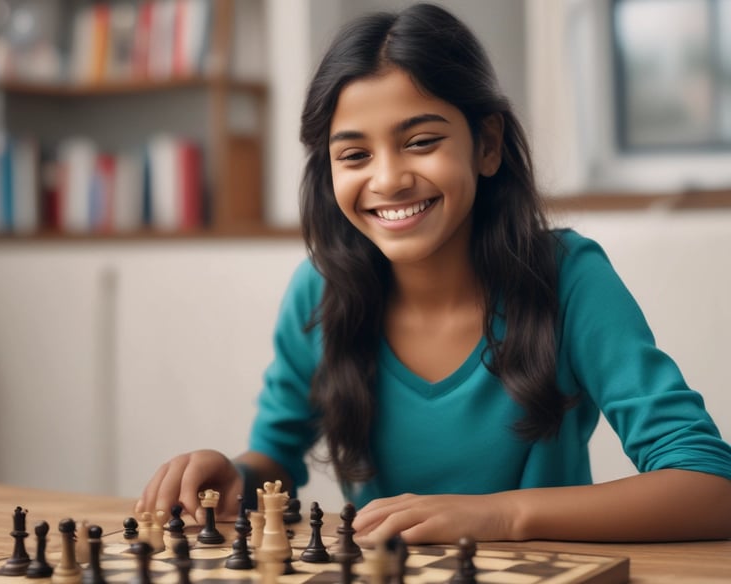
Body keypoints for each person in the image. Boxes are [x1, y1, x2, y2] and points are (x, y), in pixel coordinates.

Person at [137, 3, 731, 544]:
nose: (389, 179)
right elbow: (275, 459)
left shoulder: (570, 277)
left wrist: (501, 515)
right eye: (354, 155)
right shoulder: (318, 293)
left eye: (420, 141)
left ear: (488, 145)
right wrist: (231, 478)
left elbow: (710, 486)